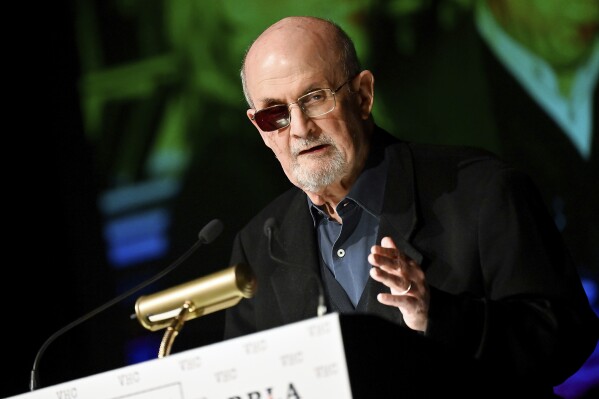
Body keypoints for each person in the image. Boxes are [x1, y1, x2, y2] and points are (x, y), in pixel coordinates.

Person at [223, 15, 599, 397]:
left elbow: (565, 337)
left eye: (315, 98)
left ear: (363, 95)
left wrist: (439, 315)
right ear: (260, 128)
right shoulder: (258, 246)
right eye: (276, 114)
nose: (300, 128)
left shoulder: (481, 191)